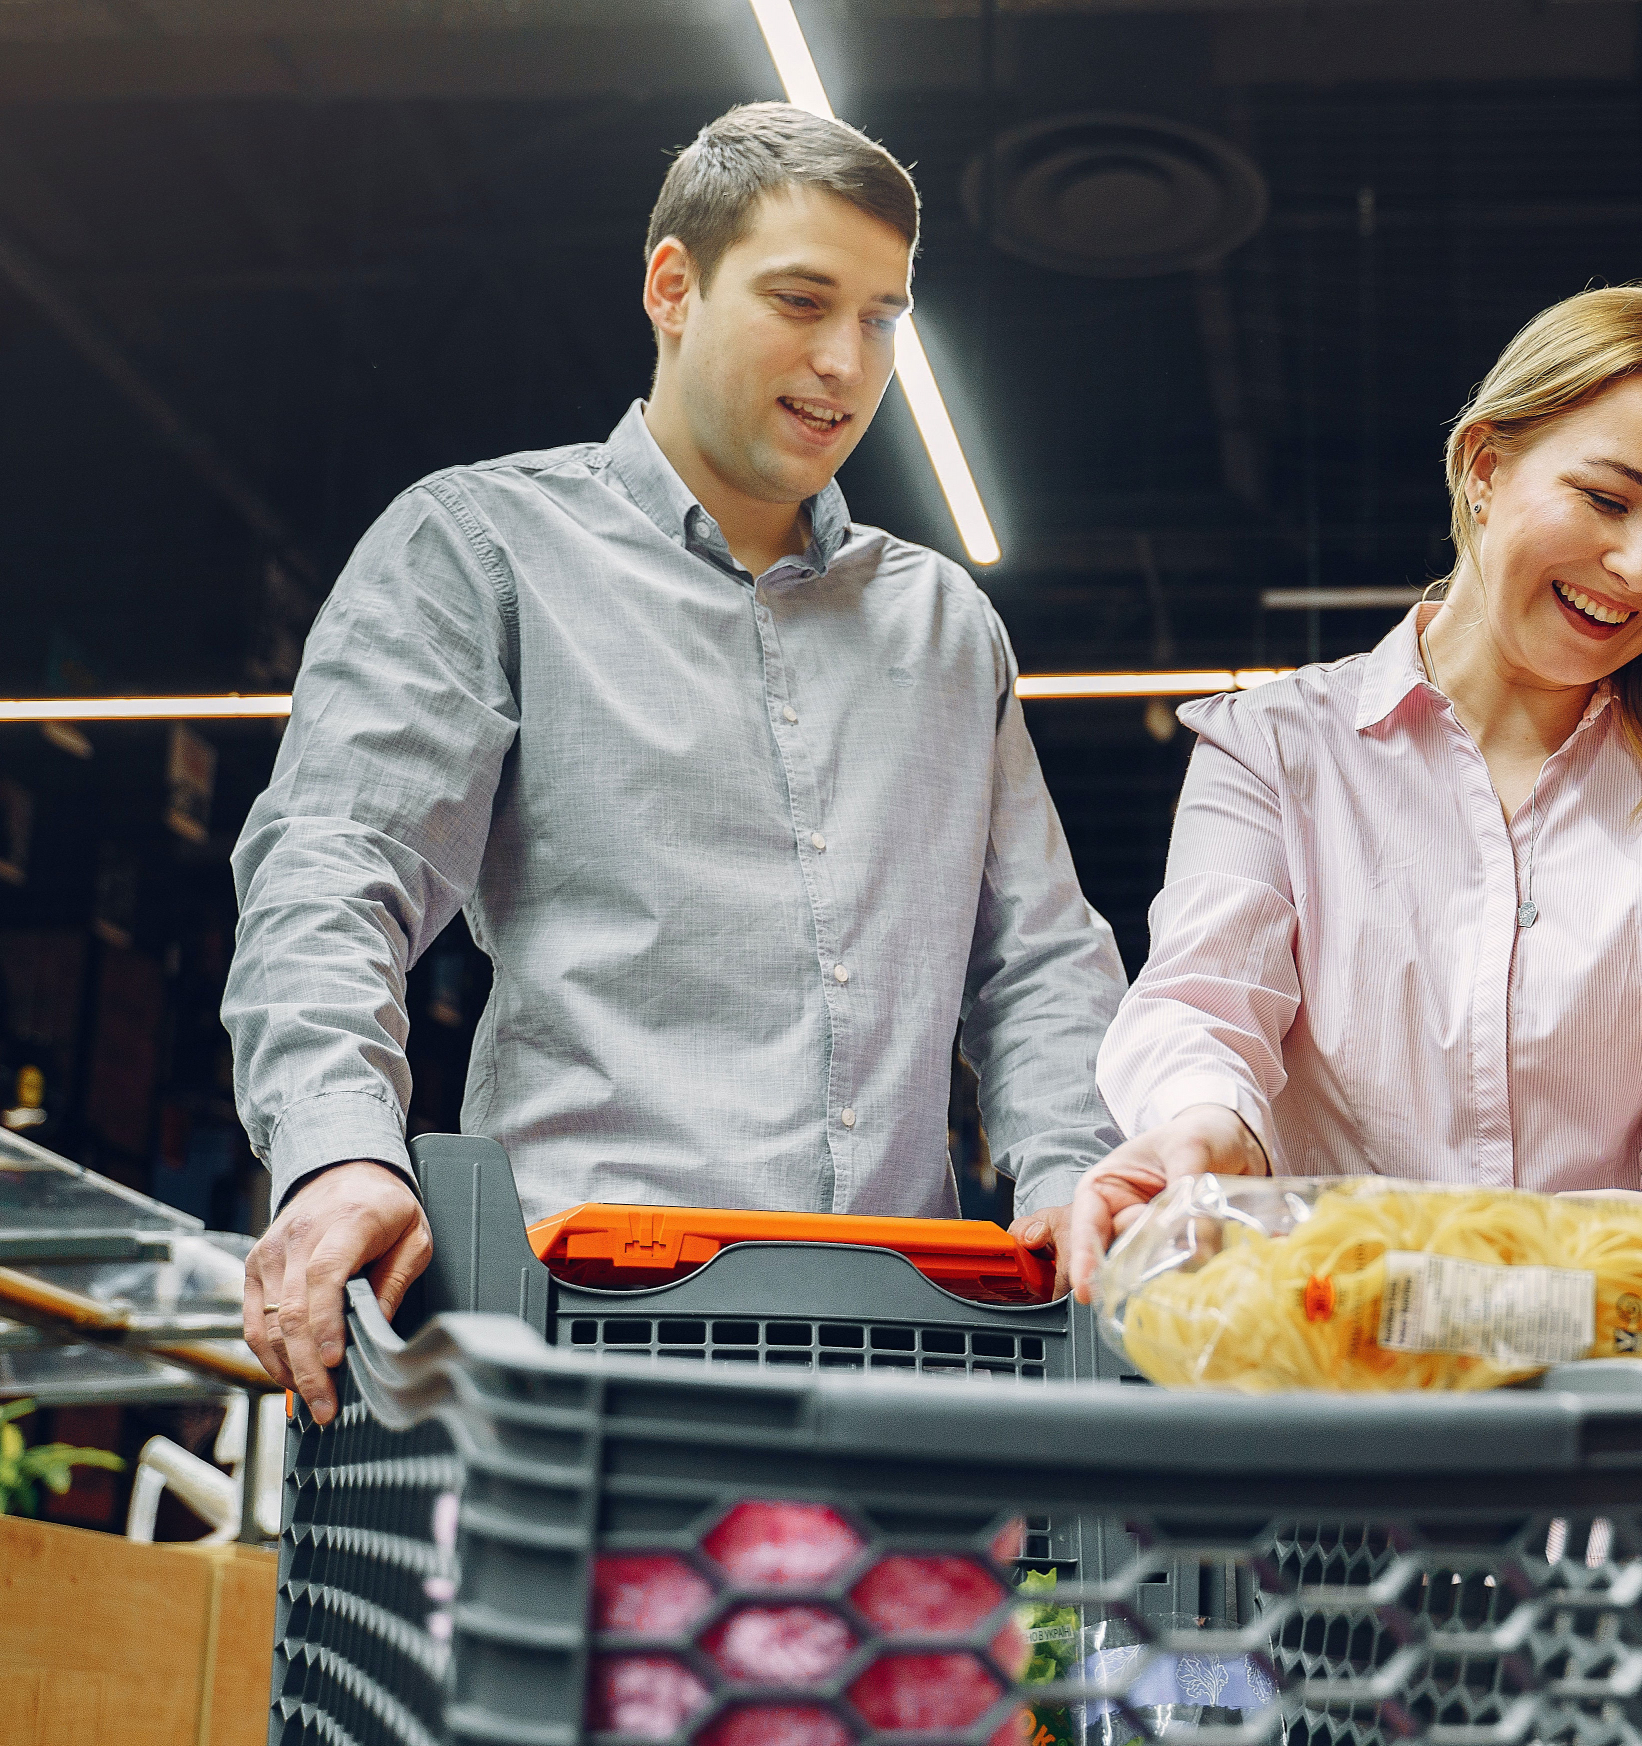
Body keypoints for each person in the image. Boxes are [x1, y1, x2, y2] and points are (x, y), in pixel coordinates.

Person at [224, 104, 1127, 1421]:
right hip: (577, 1355)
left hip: (906, 1365)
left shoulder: (942, 629)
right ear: (672, 286)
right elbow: (334, 866)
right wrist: (336, 1156)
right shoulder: (483, 550)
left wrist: (1071, 1182)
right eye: (801, 299)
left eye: (880, 317)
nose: (844, 361)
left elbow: (1038, 963)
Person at [1064, 285, 1642, 1304]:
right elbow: (1205, 1004)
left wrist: (1559, 1307)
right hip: (1335, 1359)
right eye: (1607, 499)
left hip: (1624, 1383)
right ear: (1485, 466)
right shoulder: (1276, 749)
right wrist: (1203, 1129)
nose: (1640, 566)